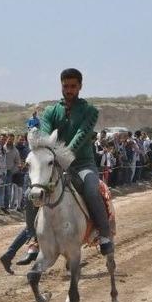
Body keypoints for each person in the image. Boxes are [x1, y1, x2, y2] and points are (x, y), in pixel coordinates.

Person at [40, 68, 114, 255]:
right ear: (61, 86)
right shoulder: (50, 111)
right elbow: (45, 134)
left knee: (91, 189)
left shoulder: (90, 111)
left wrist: (62, 156)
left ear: (80, 86)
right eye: (65, 86)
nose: (69, 90)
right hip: (56, 164)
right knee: (33, 192)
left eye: (73, 86)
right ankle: (33, 237)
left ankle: (104, 234)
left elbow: (81, 136)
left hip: (82, 165)